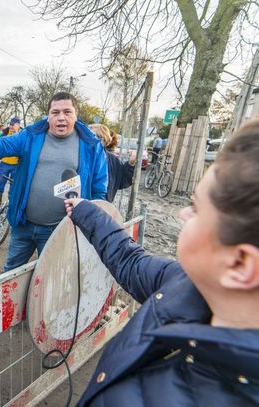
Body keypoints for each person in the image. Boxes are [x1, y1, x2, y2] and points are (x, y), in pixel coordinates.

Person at [64, 120, 259, 406]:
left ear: (240, 265)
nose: (183, 214)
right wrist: (85, 210)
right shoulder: (186, 283)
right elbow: (130, 260)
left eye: (197, 208)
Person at [0, 92, 107, 272]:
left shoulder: (91, 145)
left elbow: (99, 190)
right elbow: (2, 146)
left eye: (67, 112)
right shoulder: (32, 135)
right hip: (24, 224)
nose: (61, 117)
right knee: (12, 273)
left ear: (76, 115)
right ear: (48, 116)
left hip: (60, 230)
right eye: (55, 112)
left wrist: (91, 222)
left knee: (50, 276)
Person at [89, 123, 135, 203]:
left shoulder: (113, 160)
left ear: (104, 140)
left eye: (95, 137)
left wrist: (130, 164)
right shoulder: (80, 156)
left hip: (102, 205)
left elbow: (122, 181)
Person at [0, 117, 22, 208]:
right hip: (4, 164)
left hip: (17, 165)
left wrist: (16, 134)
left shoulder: (23, 133)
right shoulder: (5, 132)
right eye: (10, 124)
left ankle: (11, 202)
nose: (11, 126)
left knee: (14, 185)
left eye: (13, 125)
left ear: (18, 125)